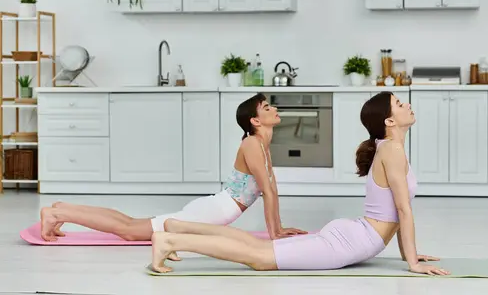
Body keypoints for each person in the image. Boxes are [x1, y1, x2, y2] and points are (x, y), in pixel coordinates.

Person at [149, 91, 450, 276]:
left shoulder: (389, 149)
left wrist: (409, 253)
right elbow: (403, 211)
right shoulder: (393, 150)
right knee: (260, 258)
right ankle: (172, 240)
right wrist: (412, 262)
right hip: (352, 241)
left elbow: (397, 213)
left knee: (259, 249)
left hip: (354, 234)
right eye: (399, 103)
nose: (406, 105)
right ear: (389, 121)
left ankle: (176, 229)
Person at [39, 93, 307, 243]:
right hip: (212, 212)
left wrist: (278, 229)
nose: (274, 109)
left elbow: (272, 191)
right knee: (131, 231)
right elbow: (268, 193)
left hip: (213, 209)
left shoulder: (260, 145)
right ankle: (57, 213)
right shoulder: (251, 144)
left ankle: (62, 209)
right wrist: (276, 232)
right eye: (266, 107)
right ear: (255, 121)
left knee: (131, 224)